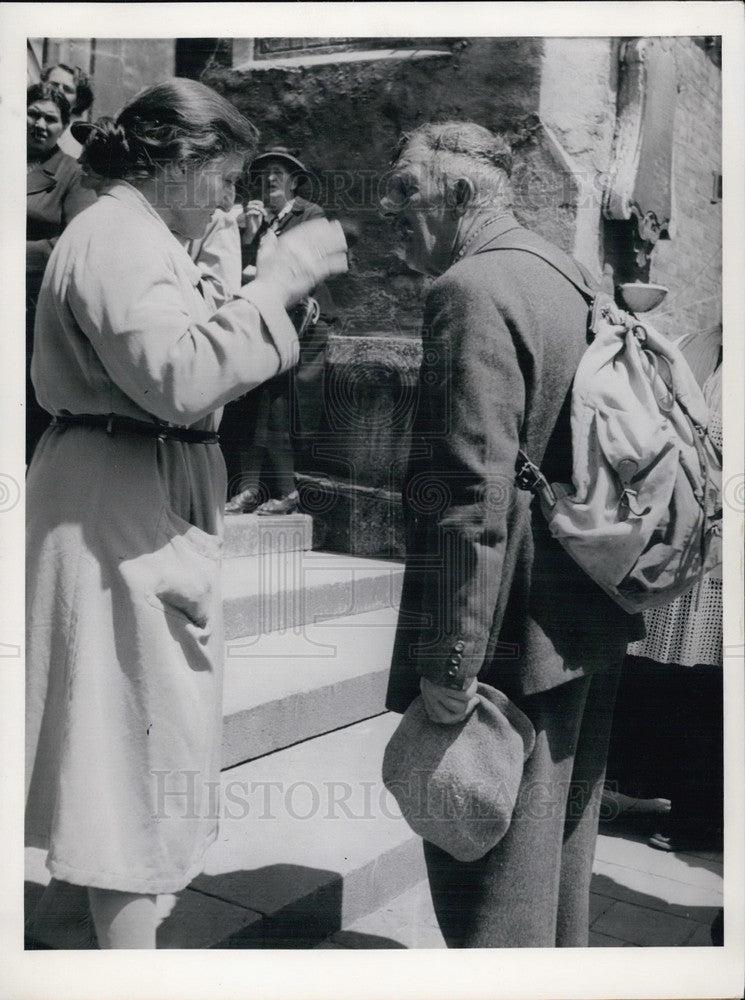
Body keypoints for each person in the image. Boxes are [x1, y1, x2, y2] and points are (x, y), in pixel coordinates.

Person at [25, 78, 347, 950]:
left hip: (136, 486)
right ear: (179, 158)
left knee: (118, 743)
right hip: (121, 496)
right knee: (128, 764)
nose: (230, 196)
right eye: (223, 175)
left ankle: (64, 944)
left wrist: (224, 274)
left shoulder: (142, 233)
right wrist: (271, 286)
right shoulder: (116, 236)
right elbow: (178, 379)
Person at [380, 122, 643, 948]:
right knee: (557, 887)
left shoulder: (469, 290)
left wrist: (450, 667)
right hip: (578, 621)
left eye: (406, 196)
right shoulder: (568, 273)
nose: (391, 215)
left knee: (488, 905)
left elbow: (468, 495)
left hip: (501, 640)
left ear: (460, 195)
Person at [224, 147, 337, 515]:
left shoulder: (310, 215)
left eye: (278, 172)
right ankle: (257, 489)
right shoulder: (258, 220)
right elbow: (241, 273)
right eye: (264, 173)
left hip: (305, 325)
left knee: (276, 404)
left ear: (293, 180)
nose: (269, 179)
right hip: (271, 320)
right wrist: (249, 238)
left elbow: (303, 272)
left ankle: (276, 490)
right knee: (256, 400)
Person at [26, 82, 96, 463]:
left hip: (33, 304)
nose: (39, 124)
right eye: (33, 113)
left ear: (64, 125)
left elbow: (73, 243)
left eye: (50, 119)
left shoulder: (71, 174)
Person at [40, 62, 95, 158]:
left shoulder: (74, 143)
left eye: (67, 89)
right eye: (53, 85)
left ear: (79, 101)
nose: (58, 91)